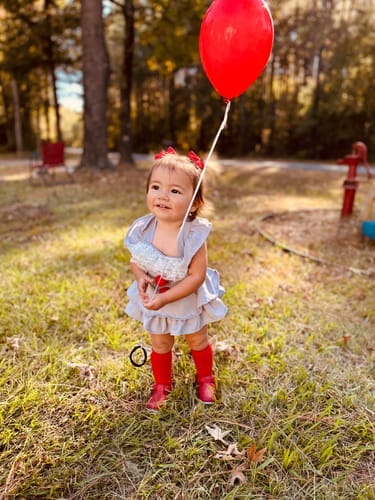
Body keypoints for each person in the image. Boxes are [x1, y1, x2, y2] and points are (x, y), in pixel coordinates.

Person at [124, 147, 227, 411]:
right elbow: (136, 261)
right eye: (156, 187)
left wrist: (166, 297)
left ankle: (205, 377)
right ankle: (162, 385)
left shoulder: (193, 235)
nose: (162, 196)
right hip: (155, 297)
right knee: (159, 342)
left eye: (175, 191)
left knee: (196, 339)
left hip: (184, 299)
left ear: (193, 203)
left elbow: (196, 276)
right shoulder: (143, 229)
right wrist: (141, 280)